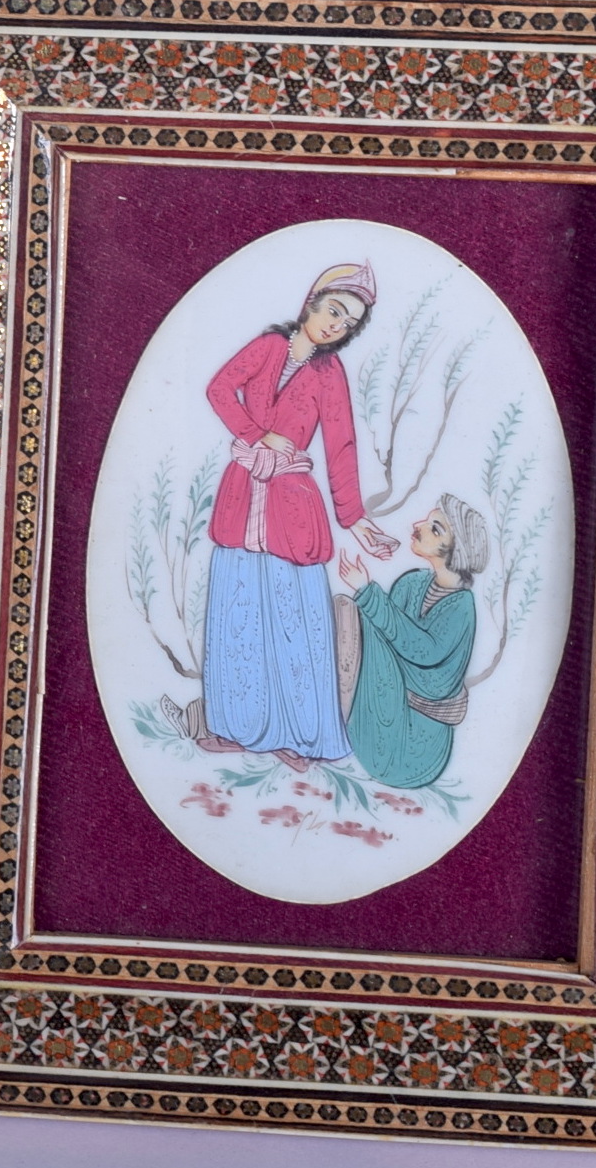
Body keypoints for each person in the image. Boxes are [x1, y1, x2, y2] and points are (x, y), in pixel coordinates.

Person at [191, 263, 397, 771]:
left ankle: (299, 737)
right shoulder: (267, 348)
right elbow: (218, 389)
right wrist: (256, 435)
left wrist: (355, 519)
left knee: (293, 622)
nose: (335, 325)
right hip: (244, 492)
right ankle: (237, 727)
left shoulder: (330, 374)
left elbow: (341, 445)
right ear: (311, 304)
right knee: (239, 616)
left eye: (348, 323)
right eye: (333, 311)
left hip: (294, 505)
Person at [335, 497, 486, 789]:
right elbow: (385, 639)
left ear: (456, 551)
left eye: (435, 529)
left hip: (416, 746)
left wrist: (366, 593)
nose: (418, 526)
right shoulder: (412, 583)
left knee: (350, 613)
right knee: (347, 613)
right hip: (382, 711)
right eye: (427, 521)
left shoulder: (461, 607)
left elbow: (422, 650)